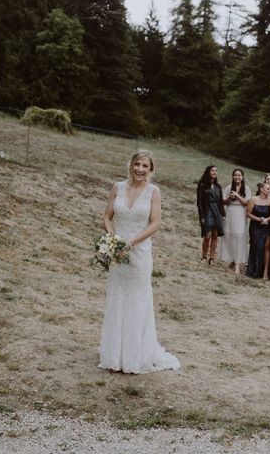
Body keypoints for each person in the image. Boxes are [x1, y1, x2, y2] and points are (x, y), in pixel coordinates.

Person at [98, 149, 180, 374]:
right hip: (118, 253)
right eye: (137, 165)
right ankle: (114, 355)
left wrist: (130, 243)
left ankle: (135, 356)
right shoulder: (117, 187)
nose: (140, 170)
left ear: (151, 170)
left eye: (145, 166)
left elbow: (155, 224)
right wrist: (113, 239)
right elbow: (107, 216)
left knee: (137, 299)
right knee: (117, 296)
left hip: (140, 252)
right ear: (131, 165)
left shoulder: (154, 192)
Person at [220, 168, 251, 274]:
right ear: (233, 176)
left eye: (239, 175)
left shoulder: (246, 188)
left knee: (239, 236)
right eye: (235, 175)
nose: (237, 177)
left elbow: (246, 203)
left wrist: (237, 196)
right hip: (230, 211)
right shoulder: (229, 187)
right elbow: (223, 202)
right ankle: (233, 260)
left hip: (240, 213)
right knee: (229, 236)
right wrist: (230, 197)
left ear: (242, 177)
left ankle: (238, 264)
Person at [246, 182, 270, 280]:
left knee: (266, 247)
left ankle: (265, 271)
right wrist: (259, 219)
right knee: (255, 246)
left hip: (267, 227)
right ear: (262, 189)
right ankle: (254, 270)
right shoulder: (253, 199)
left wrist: (267, 220)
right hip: (255, 226)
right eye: (268, 189)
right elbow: (248, 214)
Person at [197, 165, 226, 265]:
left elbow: (221, 202)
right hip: (207, 211)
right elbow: (199, 202)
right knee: (207, 235)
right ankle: (204, 256)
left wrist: (223, 215)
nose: (214, 172)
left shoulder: (218, 186)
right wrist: (201, 216)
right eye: (212, 170)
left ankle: (212, 258)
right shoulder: (202, 185)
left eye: (216, 171)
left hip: (217, 212)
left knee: (215, 235)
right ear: (208, 172)